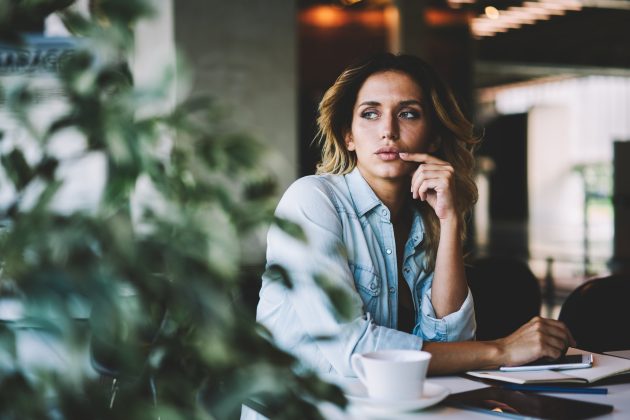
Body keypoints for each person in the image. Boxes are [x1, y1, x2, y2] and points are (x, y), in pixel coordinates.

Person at [246, 53, 574, 415]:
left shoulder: (426, 219)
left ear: (433, 137)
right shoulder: (311, 200)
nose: (388, 130)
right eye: (370, 113)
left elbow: (452, 342)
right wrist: (503, 351)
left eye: (408, 113)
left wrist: (450, 221)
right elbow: (354, 351)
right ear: (348, 135)